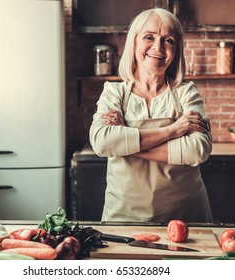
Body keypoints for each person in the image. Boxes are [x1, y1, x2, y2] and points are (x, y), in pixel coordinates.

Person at [89, 8, 213, 223]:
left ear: (176, 50)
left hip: (185, 218)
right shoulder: (114, 92)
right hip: (124, 216)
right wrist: (173, 130)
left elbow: (198, 149)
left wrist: (125, 145)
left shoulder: (186, 92)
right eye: (149, 37)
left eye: (168, 40)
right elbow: (102, 141)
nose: (158, 47)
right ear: (134, 42)